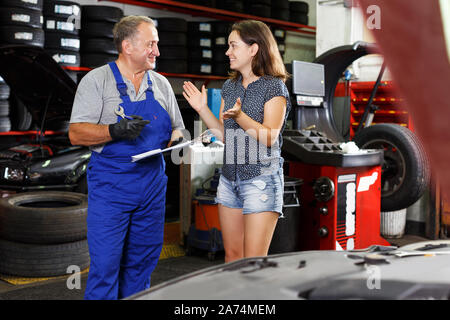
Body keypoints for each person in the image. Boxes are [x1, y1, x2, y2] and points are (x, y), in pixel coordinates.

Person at [68, 16, 185, 300]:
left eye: (156, 44)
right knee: (106, 266)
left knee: (141, 265)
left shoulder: (161, 85)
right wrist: (114, 130)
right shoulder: (97, 81)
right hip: (111, 187)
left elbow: (177, 126)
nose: (156, 51)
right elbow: (76, 134)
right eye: (150, 44)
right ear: (127, 46)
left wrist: (178, 138)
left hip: (152, 187)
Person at [182, 20, 291, 263]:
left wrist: (241, 117)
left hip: (261, 180)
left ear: (253, 49)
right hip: (229, 179)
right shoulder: (229, 87)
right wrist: (202, 108)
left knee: (252, 262)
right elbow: (224, 135)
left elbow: (270, 136)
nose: (227, 52)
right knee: (232, 257)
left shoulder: (274, 87)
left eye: (233, 46)